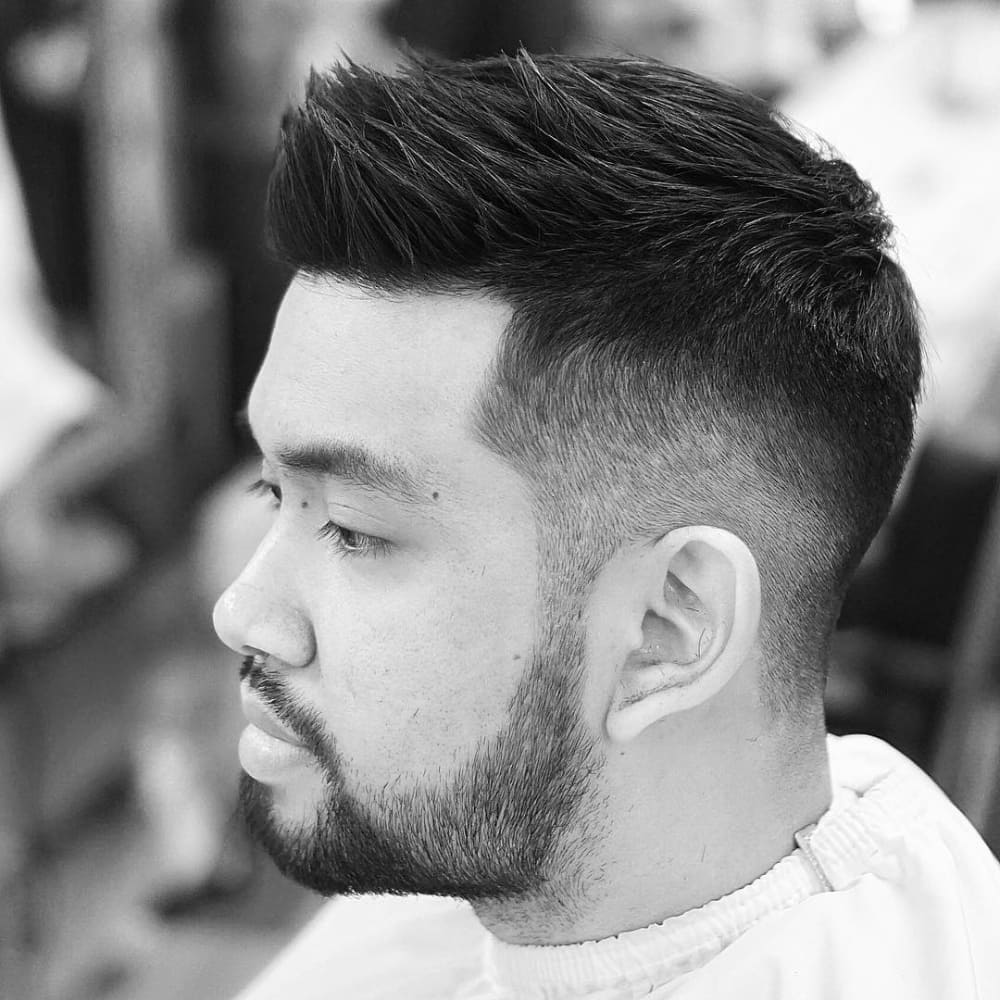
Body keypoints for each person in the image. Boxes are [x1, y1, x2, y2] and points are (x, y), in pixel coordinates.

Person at [211, 51, 1000, 999]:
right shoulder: (494, 893)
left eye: (353, 530)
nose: (242, 612)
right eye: (274, 493)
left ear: (668, 629)